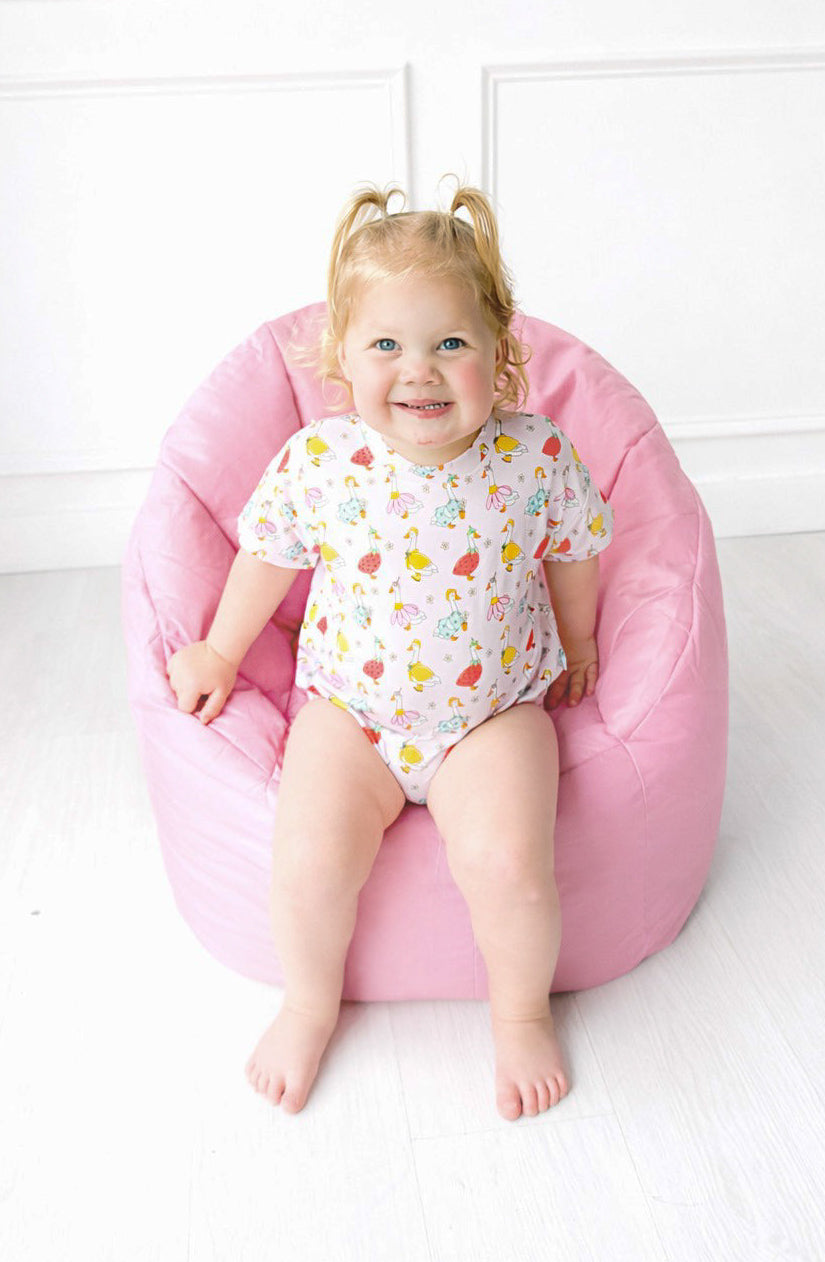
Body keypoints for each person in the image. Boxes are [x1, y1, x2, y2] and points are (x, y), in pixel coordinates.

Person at [166, 181, 614, 1121]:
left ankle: (521, 1012)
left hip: (491, 716)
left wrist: (578, 643)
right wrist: (215, 649)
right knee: (306, 862)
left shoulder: (536, 458)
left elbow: (574, 555)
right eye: (386, 346)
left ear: (500, 356)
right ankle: (308, 1003)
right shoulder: (320, 461)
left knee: (510, 867)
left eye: (451, 342)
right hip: (348, 712)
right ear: (341, 359)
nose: (420, 370)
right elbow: (263, 560)